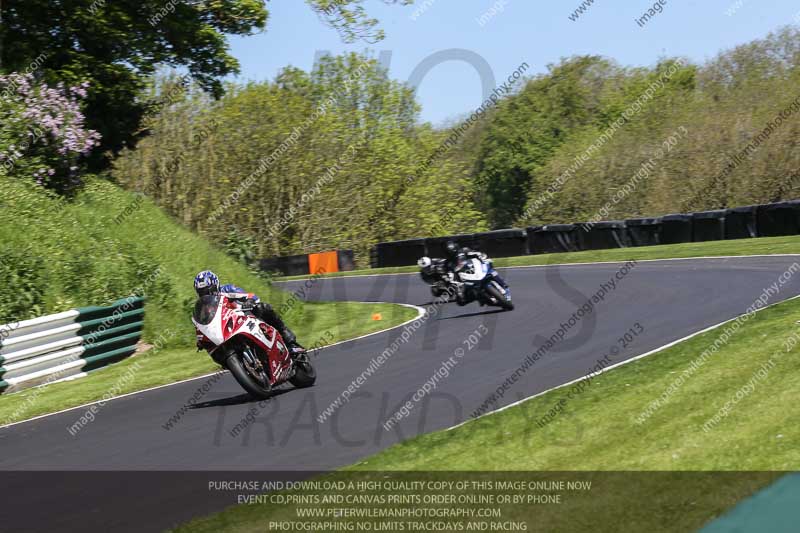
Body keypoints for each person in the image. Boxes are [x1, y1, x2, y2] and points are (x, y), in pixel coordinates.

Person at [193, 270, 306, 355]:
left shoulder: (227, 289)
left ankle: (285, 335)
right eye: (202, 293)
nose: (206, 295)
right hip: (228, 331)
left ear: (216, 285)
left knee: (263, 307)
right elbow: (204, 324)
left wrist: (249, 301)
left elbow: (250, 296)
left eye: (208, 290)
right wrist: (202, 338)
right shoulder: (205, 308)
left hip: (245, 318)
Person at [442, 240, 510, 305]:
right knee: (461, 301)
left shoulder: (463, 250)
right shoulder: (448, 263)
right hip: (464, 278)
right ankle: (481, 298)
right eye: (449, 252)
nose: (451, 253)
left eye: (452, 251)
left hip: (475, 269)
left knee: (490, 269)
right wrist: (449, 279)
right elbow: (447, 274)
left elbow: (476, 253)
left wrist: (481, 256)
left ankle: (504, 285)